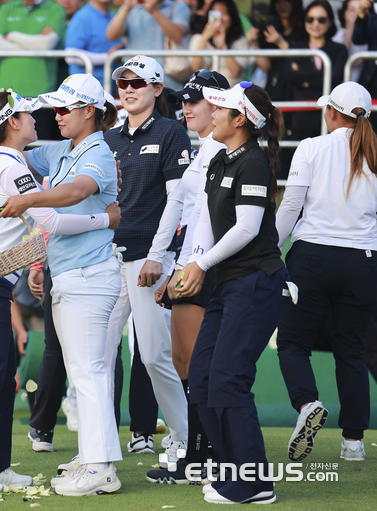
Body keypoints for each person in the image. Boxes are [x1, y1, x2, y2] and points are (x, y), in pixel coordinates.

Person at [0, 88, 120, 494]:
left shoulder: (12, 159)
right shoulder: (12, 167)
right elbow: (52, 221)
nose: (39, 117)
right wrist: (104, 220)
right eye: (28, 113)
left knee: (3, 379)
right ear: (14, 123)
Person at [0, 74, 122, 496]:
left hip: (88, 276)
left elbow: (76, 192)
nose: (57, 115)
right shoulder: (64, 148)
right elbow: (20, 149)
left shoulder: (98, 152)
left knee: (88, 374)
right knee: (83, 373)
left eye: (66, 108)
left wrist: (28, 199)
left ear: (90, 111)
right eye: (55, 108)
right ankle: (92, 455)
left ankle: (101, 467)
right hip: (69, 274)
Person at [177, 82, 287, 505]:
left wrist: (200, 264)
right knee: (203, 378)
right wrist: (192, 263)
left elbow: (246, 228)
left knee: (228, 378)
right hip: (228, 282)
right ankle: (232, 471)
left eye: (221, 107)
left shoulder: (254, 164)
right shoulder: (220, 159)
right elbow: (208, 221)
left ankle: (254, 481)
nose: (212, 111)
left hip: (256, 283)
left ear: (240, 120)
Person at [275, 82, 377, 463]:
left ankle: (306, 405)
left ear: (332, 112)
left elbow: (290, 209)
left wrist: (269, 249)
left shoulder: (312, 147)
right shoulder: (375, 151)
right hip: (363, 260)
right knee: (351, 351)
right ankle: (353, 443)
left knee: (292, 343)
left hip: (313, 258)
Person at [103, 55, 190, 468]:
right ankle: (99, 447)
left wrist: (157, 255)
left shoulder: (173, 132)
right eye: (123, 83)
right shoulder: (109, 138)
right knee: (98, 357)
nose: (129, 89)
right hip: (106, 259)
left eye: (138, 82)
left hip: (148, 260)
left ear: (157, 88)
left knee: (155, 355)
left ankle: (185, 437)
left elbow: (178, 199)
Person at [144, 69, 229, 484]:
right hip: (190, 264)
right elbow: (184, 211)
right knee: (184, 363)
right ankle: (199, 455)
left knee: (197, 365)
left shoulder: (222, 150)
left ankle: (206, 456)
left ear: (218, 105)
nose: (186, 107)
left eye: (195, 101)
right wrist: (174, 264)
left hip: (205, 267)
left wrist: (192, 266)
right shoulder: (204, 148)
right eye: (185, 100)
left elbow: (210, 218)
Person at [0, 0, 67, 139]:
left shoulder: (56, 9)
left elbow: (46, 45)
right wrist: (34, 44)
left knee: (39, 150)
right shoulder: (6, 8)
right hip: (6, 95)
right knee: (4, 148)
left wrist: (12, 35)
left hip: (41, 96)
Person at [286, 0, 347, 142]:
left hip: (331, 119)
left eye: (321, 19)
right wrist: (323, 77)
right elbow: (289, 76)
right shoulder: (295, 47)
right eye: (310, 19)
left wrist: (304, 81)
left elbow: (336, 78)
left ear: (330, 21)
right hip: (301, 119)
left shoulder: (339, 49)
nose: (315, 24)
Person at [105, 0, 190, 88]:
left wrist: (154, 11)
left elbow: (177, 35)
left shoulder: (178, 7)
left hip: (169, 82)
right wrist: (126, 8)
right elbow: (111, 35)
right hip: (135, 81)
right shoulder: (131, 7)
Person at [189, 0, 252, 86]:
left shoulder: (241, 42)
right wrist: (204, 38)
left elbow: (235, 72)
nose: (220, 18)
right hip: (204, 91)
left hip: (230, 90)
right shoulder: (198, 38)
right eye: (216, 14)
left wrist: (223, 45)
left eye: (224, 13)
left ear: (232, 16)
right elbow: (195, 67)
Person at [65, 0, 122, 86]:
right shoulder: (82, 17)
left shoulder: (113, 16)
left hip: (110, 88)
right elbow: (71, 56)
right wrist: (107, 57)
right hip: (86, 90)